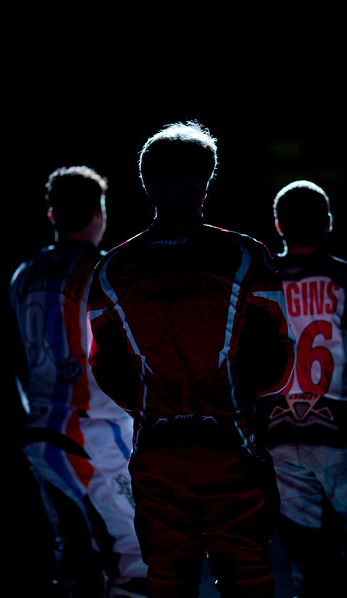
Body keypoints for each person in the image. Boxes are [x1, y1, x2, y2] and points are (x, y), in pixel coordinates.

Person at [87, 122, 295, 597]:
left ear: (146, 184)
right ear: (207, 184)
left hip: (156, 447)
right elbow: (280, 360)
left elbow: (104, 366)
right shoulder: (246, 254)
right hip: (232, 445)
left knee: (167, 578)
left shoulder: (112, 267)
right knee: (246, 576)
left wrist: (152, 404)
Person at [8, 166, 149, 598]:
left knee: (73, 563)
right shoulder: (104, 269)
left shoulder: (23, 274)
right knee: (139, 560)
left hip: (41, 432)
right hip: (97, 432)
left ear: (52, 215)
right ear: (97, 212)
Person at [265, 180, 347, 598]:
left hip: (278, 430)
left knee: (304, 549)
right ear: (328, 223)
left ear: (278, 225)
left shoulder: (261, 280)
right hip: (344, 428)